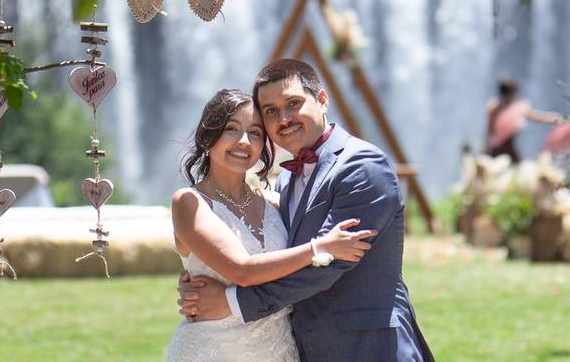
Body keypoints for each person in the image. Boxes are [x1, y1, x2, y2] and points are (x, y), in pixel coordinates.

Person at [177, 60, 433, 362]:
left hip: (369, 346)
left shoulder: (361, 166)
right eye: (271, 111)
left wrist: (232, 302)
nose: (283, 118)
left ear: (322, 100)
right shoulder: (284, 182)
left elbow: (330, 264)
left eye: (293, 103)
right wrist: (198, 274)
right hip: (299, 346)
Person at [166, 88, 376, 362]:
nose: (244, 141)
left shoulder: (277, 202)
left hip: (279, 348)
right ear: (209, 136)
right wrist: (320, 248)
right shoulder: (189, 202)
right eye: (232, 129)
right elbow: (242, 271)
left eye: (255, 133)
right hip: (212, 350)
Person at [485, 79, 560, 163]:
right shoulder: (496, 107)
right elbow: (489, 130)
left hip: (503, 147)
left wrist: (555, 118)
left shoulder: (512, 108)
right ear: (511, 93)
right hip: (500, 148)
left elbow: (537, 117)